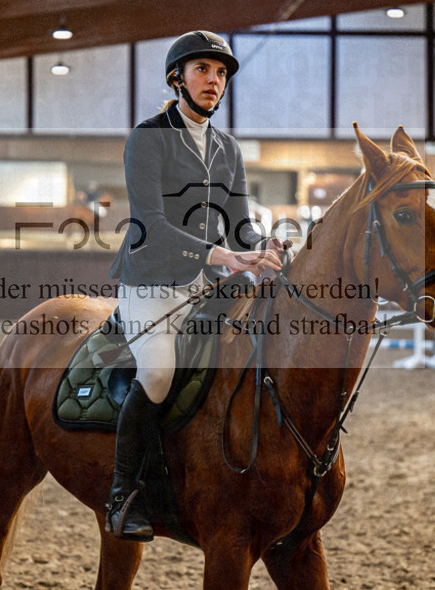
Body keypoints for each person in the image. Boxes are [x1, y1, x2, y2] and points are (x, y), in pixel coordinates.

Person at [105, 30, 285, 541]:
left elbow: (240, 222)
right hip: (149, 281)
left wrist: (261, 247)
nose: (214, 80)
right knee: (160, 373)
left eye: (221, 73)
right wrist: (221, 255)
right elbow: (151, 223)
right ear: (177, 77)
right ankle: (122, 493)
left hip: (205, 286)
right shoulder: (147, 136)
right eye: (203, 69)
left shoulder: (228, 148)